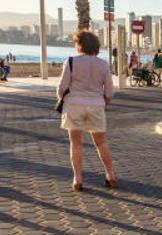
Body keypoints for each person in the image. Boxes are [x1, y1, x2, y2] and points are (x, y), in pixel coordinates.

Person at [58, 30, 116, 192]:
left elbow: (62, 88)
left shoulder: (70, 62)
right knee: (101, 142)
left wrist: (63, 98)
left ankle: (78, 179)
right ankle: (110, 175)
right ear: (96, 47)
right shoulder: (103, 65)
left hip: (74, 105)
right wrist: (103, 103)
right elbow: (109, 92)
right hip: (96, 105)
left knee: (76, 143)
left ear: (79, 45)